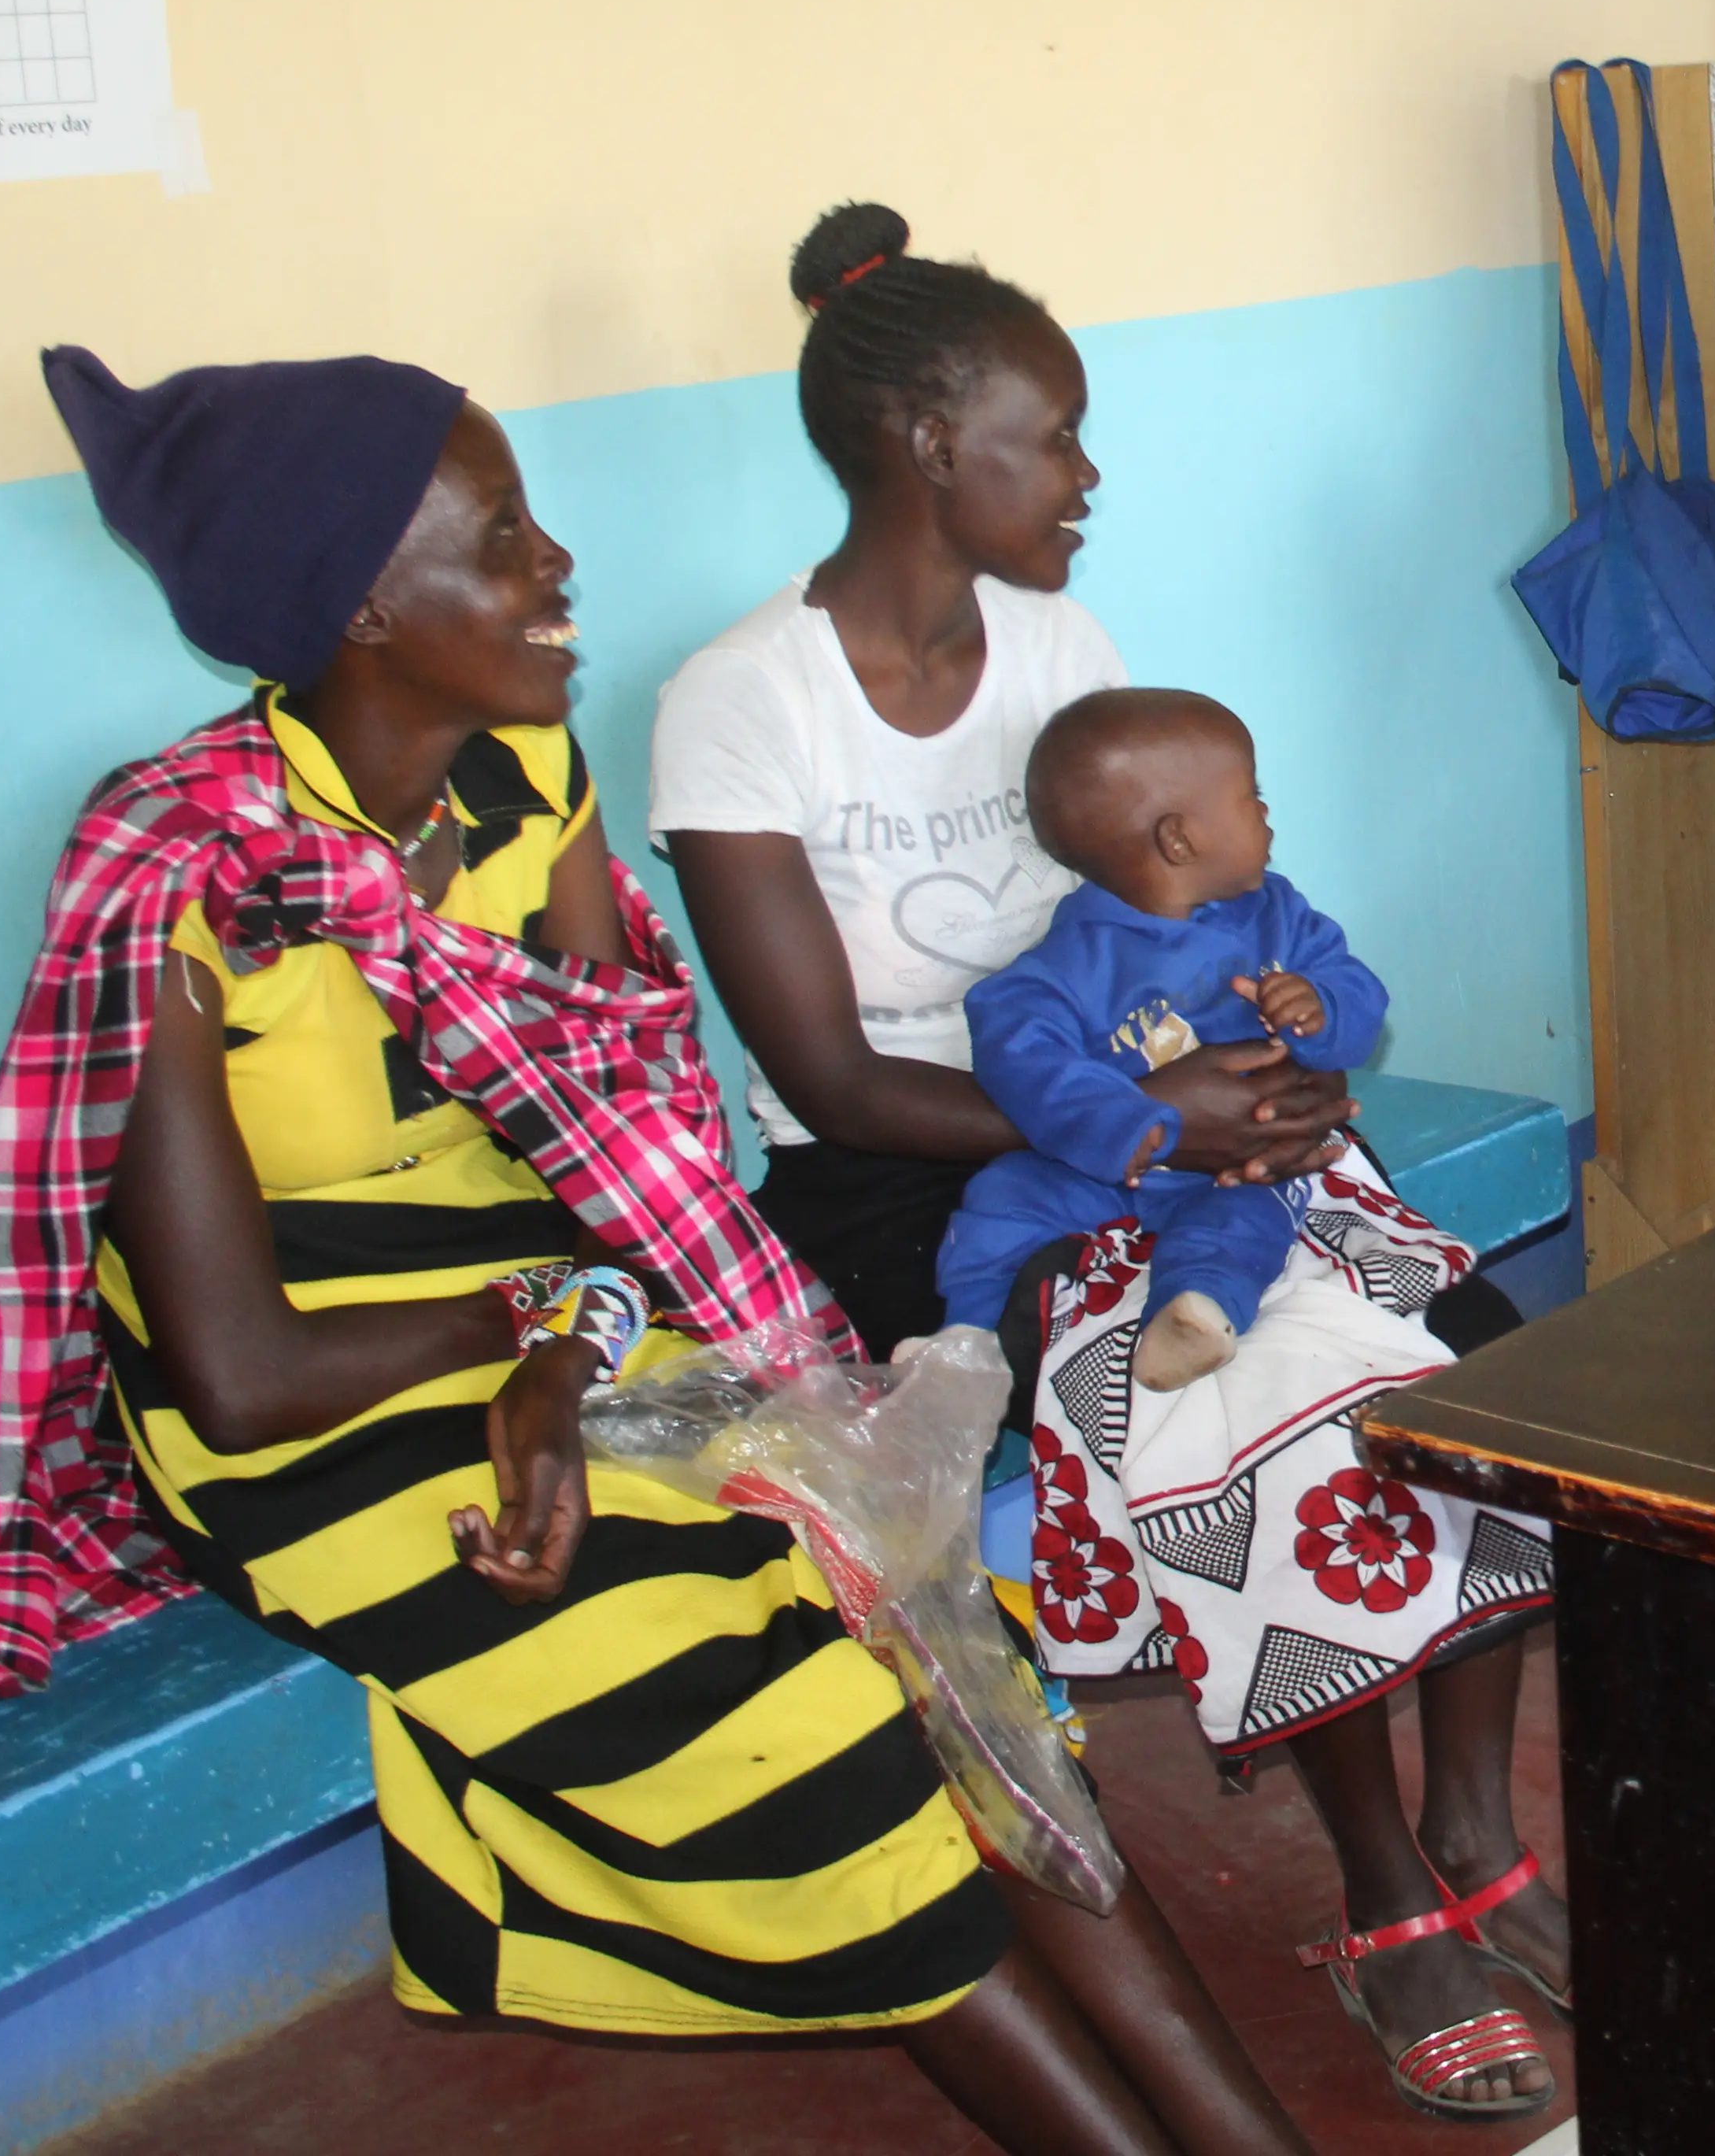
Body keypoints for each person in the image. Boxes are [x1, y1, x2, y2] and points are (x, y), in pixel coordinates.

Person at [0, 347, 1315, 2156]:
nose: (559, 563)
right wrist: (531, 1336)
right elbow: (238, 1376)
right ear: (358, 603)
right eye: (501, 535)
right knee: (802, 1726)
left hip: (574, 1332)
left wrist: (569, 1348)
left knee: (945, 1653)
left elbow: (635, 1163)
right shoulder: (171, 874)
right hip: (317, 1414)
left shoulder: (521, 782)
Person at [657, 205, 1564, 2121]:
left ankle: (1477, 1821)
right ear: (928, 446)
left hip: (1183, 1104)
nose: (1083, 476)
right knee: (1241, 1413)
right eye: (1050, 436)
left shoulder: (1062, 640)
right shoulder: (744, 698)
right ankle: (1389, 1894)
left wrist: (1248, 1067)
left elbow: (1170, 909)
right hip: (927, 1170)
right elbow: (824, 1075)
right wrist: (1160, 1125)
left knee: (1483, 1368)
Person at [944, 690, 1388, 1396]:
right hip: (1094, 1174)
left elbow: (1361, 996)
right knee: (1001, 1199)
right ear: (1180, 840)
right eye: (1252, 796)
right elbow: (1019, 1055)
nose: (1267, 812)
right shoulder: (1069, 962)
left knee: (1251, 1217)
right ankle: (961, 1349)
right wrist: (1128, 1123)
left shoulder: (1280, 917)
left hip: (1236, 1167)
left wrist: (1322, 1005)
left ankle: (1194, 1315)